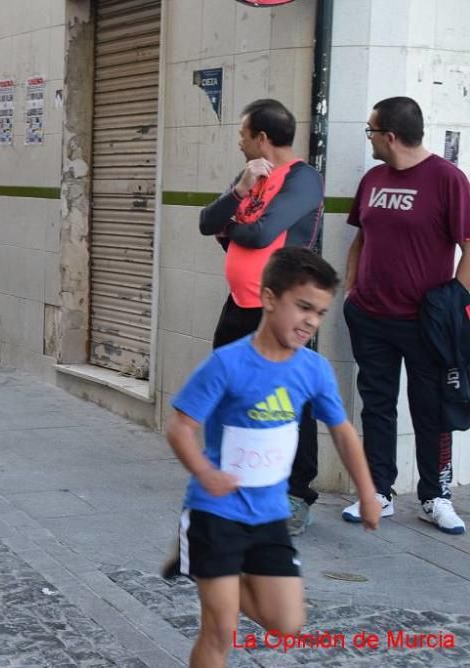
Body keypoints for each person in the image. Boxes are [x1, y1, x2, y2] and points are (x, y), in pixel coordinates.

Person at [165, 247, 380, 668]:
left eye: (319, 312)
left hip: (268, 517)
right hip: (215, 513)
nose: (311, 322)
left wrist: (368, 492)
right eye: (302, 307)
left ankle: (225, 578)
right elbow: (180, 427)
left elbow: (342, 431)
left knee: (287, 622)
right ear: (268, 299)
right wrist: (205, 472)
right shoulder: (227, 364)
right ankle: (216, 579)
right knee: (220, 629)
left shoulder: (313, 370)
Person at [341, 96, 470, 535]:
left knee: (430, 409)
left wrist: (455, 302)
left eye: (371, 131)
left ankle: (435, 497)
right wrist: (351, 290)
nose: (370, 139)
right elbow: (360, 239)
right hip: (370, 316)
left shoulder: (448, 179)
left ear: (389, 136)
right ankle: (379, 490)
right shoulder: (374, 178)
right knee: (377, 405)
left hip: (424, 322)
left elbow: (469, 247)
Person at [198, 99, 324, 536]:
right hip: (239, 303)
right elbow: (205, 221)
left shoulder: (303, 180)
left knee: (290, 401)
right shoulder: (250, 175)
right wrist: (237, 195)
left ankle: (296, 495)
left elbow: (260, 232)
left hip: (280, 310)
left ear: (263, 139)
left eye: (243, 133)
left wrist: (231, 225)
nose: (238, 140)